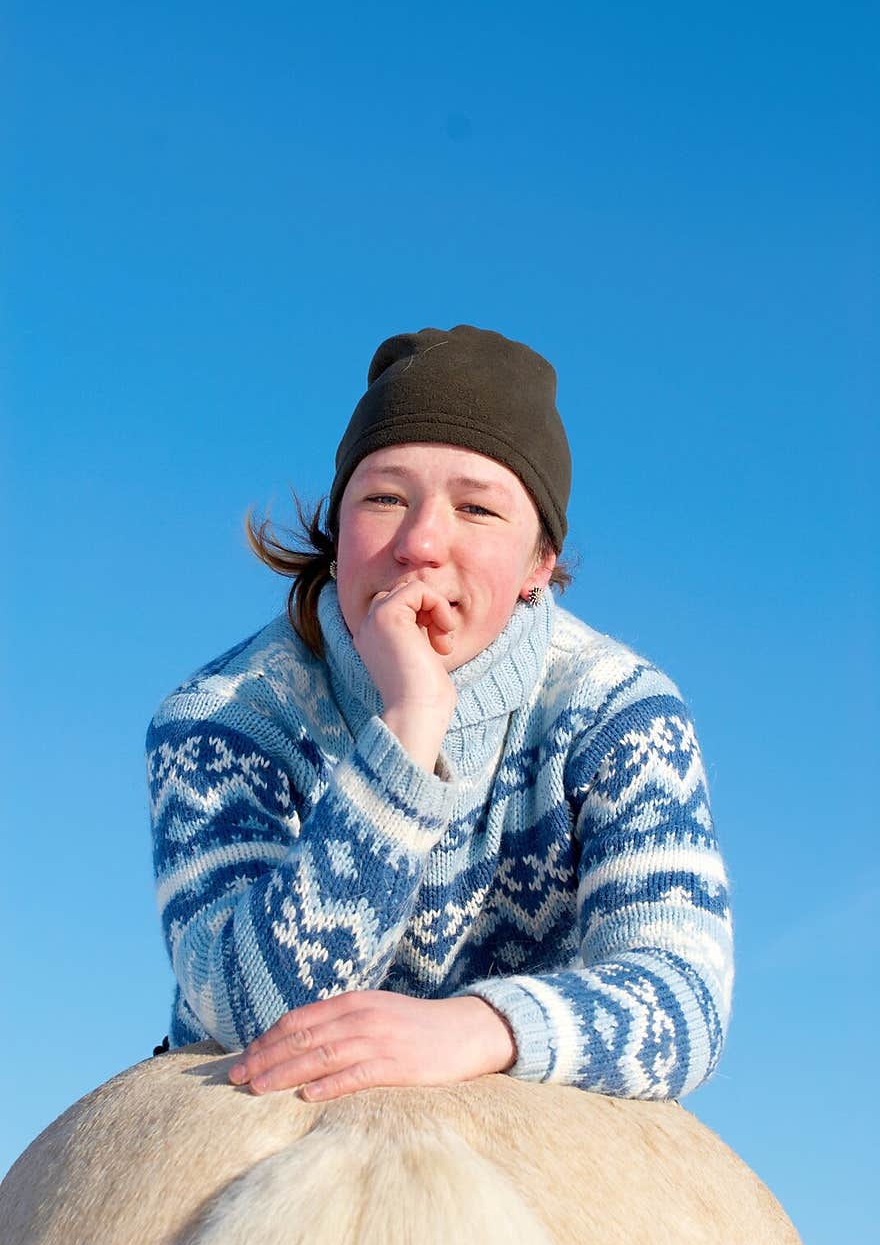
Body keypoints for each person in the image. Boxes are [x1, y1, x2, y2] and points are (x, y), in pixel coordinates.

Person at [145, 323, 734, 1104]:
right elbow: (252, 1012)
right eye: (385, 497)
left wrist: (470, 1027)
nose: (421, 542)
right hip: (259, 1110)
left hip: (518, 1108)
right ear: (338, 529)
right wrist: (411, 722)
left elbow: (683, 999)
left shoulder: (617, 712)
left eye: (478, 510)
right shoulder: (224, 716)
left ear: (539, 564)